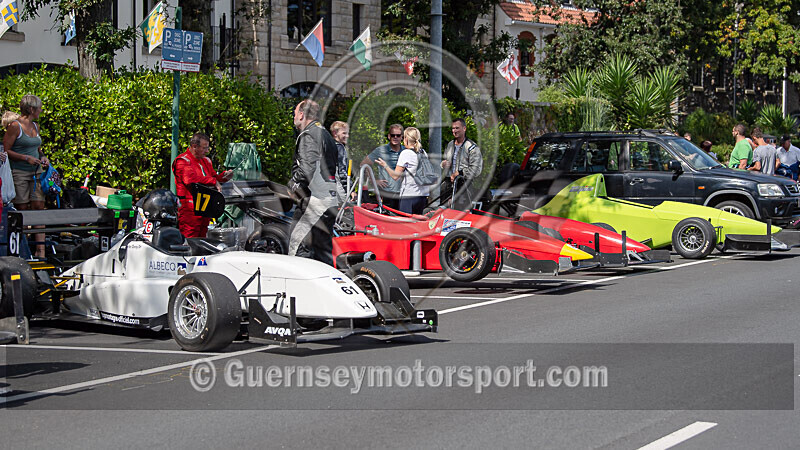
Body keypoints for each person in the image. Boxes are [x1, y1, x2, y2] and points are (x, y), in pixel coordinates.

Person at [287, 99, 341, 265]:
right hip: (328, 199)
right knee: (322, 253)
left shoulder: (309, 134)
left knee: (298, 247)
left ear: (302, 114)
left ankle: (299, 289)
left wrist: (292, 186)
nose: (294, 116)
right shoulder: (324, 133)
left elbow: (306, 169)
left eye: (295, 113)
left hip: (314, 201)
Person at [3, 95, 48, 258]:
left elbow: (38, 148)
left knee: (39, 207)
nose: (41, 111)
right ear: (31, 109)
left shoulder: (36, 126)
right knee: (21, 209)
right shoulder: (15, 126)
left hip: (36, 172)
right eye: (39, 108)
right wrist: (25, 158)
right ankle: (22, 249)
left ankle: (40, 251)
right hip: (20, 172)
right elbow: (6, 150)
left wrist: (42, 157)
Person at [172, 132, 233, 238]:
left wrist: (225, 176)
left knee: (203, 236)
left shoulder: (205, 161)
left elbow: (214, 177)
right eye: (204, 148)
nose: (207, 151)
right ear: (194, 146)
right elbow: (189, 179)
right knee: (190, 236)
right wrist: (213, 181)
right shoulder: (182, 161)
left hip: (205, 205)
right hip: (190, 208)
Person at [376, 127, 430, 214]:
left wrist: (385, 165)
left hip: (409, 196)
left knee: (405, 224)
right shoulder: (423, 152)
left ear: (406, 139)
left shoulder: (406, 153)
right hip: (422, 196)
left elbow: (395, 176)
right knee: (417, 224)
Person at [441, 118, 483, 210]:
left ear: (464, 128)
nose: (454, 131)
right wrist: (444, 164)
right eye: (453, 128)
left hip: (464, 187)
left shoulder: (472, 147)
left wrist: (460, 173)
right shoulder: (450, 144)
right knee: (444, 214)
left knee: (460, 216)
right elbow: (444, 161)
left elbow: (476, 169)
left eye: (457, 128)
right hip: (448, 186)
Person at [361, 124, 404, 209]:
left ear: (402, 137)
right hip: (386, 192)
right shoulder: (380, 150)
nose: (395, 137)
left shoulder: (406, 151)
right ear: (389, 136)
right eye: (393, 135)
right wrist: (373, 180)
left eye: (398, 135)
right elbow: (363, 164)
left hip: (403, 193)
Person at [330, 121, 351, 194]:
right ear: (335, 133)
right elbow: (342, 170)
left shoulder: (330, 145)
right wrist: (350, 189)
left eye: (348, 133)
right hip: (340, 186)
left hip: (330, 186)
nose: (347, 136)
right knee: (347, 205)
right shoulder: (339, 148)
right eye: (344, 133)